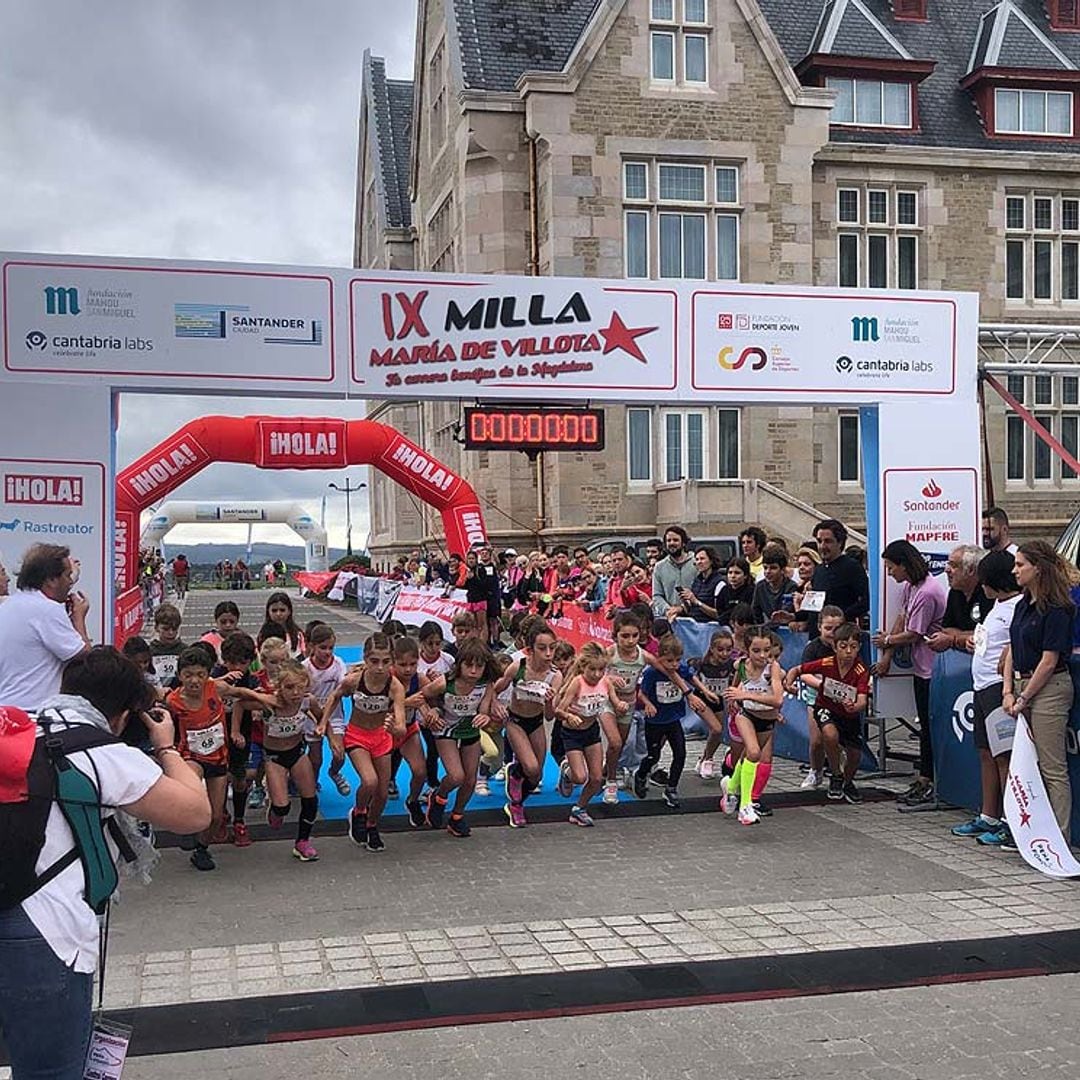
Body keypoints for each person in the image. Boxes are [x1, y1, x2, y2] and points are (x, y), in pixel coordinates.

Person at [0, 647, 209, 1080]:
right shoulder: (101, 752)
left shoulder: (20, 730)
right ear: (122, 715)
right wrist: (167, 747)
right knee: (50, 1071)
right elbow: (195, 812)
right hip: (44, 933)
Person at [1003, 540, 1076, 841]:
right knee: (1024, 763)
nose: (1015, 570)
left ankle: (1059, 837)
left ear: (1039, 568)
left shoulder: (1058, 608)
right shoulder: (1022, 603)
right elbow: (1010, 649)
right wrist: (1008, 690)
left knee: (1052, 767)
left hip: (1048, 688)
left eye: (1020, 565)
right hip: (1021, 683)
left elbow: (1050, 660)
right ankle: (1027, 829)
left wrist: (1023, 697)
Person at [950, 550, 1022, 848]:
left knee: (1003, 757)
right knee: (985, 752)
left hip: (997, 688)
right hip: (981, 687)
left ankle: (1011, 822)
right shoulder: (997, 605)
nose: (981, 585)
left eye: (985, 580)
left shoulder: (1018, 606)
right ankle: (989, 814)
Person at [871, 540, 946, 807]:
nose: (890, 573)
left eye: (891, 567)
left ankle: (931, 778)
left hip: (932, 669)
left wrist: (889, 641)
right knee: (923, 725)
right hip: (919, 666)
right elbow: (902, 618)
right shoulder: (911, 588)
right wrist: (888, 653)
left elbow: (914, 633)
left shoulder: (927, 591)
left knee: (928, 727)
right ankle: (925, 777)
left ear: (904, 565)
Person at [231, 660, 324, 861]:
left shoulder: (308, 701)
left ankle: (302, 842)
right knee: (282, 806)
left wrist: (327, 733)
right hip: (273, 757)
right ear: (278, 687)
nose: (296, 693)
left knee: (310, 799)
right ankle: (275, 811)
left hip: (297, 753)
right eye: (290, 687)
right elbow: (240, 704)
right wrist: (236, 731)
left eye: (301, 687)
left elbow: (322, 717)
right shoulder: (268, 703)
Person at [411, 639, 498, 838]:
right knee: (456, 776)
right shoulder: (445, 682)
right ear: (459, 665)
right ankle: (439, 796)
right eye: (469, 665)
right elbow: (421, 696)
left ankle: (457, 816)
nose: (474, 671)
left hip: (470, 731)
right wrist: (430, 711)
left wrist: (485, 716)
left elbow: (484, 711)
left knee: (470, 780)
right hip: (446, 730)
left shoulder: (486, 685)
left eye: (479, 666)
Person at [784, 622, 870, 804]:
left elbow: (863, 699)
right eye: (843, 647)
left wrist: (854, 706)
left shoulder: (861, 671)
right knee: (830, 735)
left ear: (859, 648)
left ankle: (846, 782)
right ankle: (836, 774)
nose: (848, 652)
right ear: (835, 647)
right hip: (825, 707)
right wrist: (789, 683)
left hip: (849, 715)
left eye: (853, 647)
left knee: (855, 755)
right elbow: (797, 669)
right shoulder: (827, 663)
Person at [0, 544, 90, 708]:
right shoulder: (46, 609)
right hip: (35, 713)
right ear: (51, 580)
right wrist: (79, 618)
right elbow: (83, 653)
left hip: (7, 710)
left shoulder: (11, 604)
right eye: (67, 575)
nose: (70, 581)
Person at [165, 647, 230, 871]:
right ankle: (186, 827)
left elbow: (241, 695)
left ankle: (201, 849)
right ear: (180, 675)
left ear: (208, 675)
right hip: (191, 756)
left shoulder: (216, 688)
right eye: (188, 675)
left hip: (218, 758)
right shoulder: (173, 701)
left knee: (216, 816)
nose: (194, 680)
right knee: (190, 788)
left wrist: (264, 698)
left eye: (200, 675)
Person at [497, 621, 561, 828]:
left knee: (536, 775)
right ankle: (515, 782)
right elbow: (495, 688)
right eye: (542, 648)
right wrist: (494, 705)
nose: (548, 653)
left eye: (552, 648)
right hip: (514, 720)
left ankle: (516, 800)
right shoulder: (519, 666)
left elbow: (550, 717)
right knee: (530, 766)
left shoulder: (555, 675)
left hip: (536, 722)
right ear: (530, 650)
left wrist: (551, 700)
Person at [720, 627, 785, 826]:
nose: (763, 656)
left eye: (766, 650)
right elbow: (736, 683)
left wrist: (744, 694)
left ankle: (730, 787)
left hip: (767, 719)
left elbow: (778, 700)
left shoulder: (772, 668)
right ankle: (745, 806)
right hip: (745, 715)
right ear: (747, 650)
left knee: (747, 757)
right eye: (756, 651)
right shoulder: (740, 665)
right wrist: (733, 698)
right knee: (754, 753)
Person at [553, 642, 624, 826]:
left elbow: (615, 703)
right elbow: (558, 710)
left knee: (596, 778)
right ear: (583, 667)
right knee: (579, 777)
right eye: (592, 670)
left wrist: (621, 706)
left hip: (591, 732)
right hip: (572, 734)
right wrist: (569, 716)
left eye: (601, 669)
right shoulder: (577, 683)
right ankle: (566, 772)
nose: (597, 674)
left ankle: (579, 808)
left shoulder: (605, 682)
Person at [634, 634, 704, 810]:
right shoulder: (652, 673)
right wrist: (648, 704)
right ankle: (641, 774)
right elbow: (641, 694)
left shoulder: (680, 670)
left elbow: (691, 676)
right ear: (659, 657)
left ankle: (671, 788)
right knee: (653, 756)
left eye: (678, 660)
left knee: (680, 754)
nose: (674, 665)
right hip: (655, 722)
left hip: (673, 720)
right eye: (669, 661)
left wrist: (704, 691)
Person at [796, 605, 844, 790]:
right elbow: (804, 674)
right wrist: (823, 685)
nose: (832, 633)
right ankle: (815, 771)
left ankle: (837, 773)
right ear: (819, 627)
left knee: (836, 740)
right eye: (828, 628)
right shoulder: (813, 648)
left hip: (841, 700)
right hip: (815, 699)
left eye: (836, 629)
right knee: (817, 741)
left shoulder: (846, 647)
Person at [689, 629, 735, 778]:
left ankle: (703, 759)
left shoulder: (731, 665)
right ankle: (708, 760)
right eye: (720, 650)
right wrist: (697, 692)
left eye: (729, 650)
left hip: (718, 701)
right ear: (712, 649)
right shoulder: (701, 664)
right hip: (701, 700)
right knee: (716, 729)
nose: (725, 654)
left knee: (718, 732)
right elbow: (689, 676)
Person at [927, 545, 989, 653]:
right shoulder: (955, 591)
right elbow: (946, 629)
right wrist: (966, 637)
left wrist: (953, 639)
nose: (946, 570)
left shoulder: (988, 593)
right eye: (948, 564)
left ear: (970, 570)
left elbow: (987, 635)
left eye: (954, 566)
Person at [667, 546, 725, 623]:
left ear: (711, 561)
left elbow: (720, 614)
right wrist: (685, 601)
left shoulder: (720, 583)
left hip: (710, 625)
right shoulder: (697, 580)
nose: (699, 562)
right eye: (697, 559)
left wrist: (696, 602)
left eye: (702, 559)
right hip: (693, 623)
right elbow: (690, 609)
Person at [651, 527, 697, 616]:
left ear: (683, 543)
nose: (672, 543)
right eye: (669, 540)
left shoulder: (696, 563)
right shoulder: (659, 567)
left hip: (695, 617)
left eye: (675, 540)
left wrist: (682, 608)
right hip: (670, 617)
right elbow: (657, 595)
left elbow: (702, 593)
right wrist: (668, 610)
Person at [751, 544, 797, 625]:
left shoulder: (791, 587)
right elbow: (755, 612)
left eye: (773, 568)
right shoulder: (760, 586)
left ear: (782, 569)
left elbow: (784, 615)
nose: (768, 571)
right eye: (765, 567)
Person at [149, 602, 185, 687]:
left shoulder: (184, 651)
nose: (171, 633)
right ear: (156, 628)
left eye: (174, 628)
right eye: (166, 629)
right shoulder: (149, 651)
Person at [714, 557, 755, 626]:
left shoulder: (752, 591)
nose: (733, 576)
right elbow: (719, 611)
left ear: (745, 575)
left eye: (737, 573)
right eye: (730, 573)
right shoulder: (724, 590)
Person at [263, 591, 305, 657]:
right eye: (274, 610)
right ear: (268, 612)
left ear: (289, 611)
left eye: (282, 610)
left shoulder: (298, 634)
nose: (278, 614)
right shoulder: (263, 634)